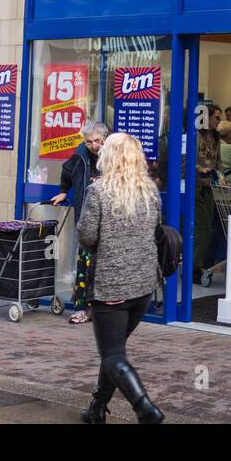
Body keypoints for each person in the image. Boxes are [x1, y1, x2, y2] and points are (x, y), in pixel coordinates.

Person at [76, 132, 165, 425]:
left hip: (112, 286)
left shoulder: (99, 191)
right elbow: (155, 231)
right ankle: (97, 408)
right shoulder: (149, 190)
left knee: (113, 354)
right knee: (115, 352)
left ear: (108, 157)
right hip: (143, 286)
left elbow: (87, 237)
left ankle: (145, 409)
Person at [51, 121, 109, 324]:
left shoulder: (113, 155)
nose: (94, 145)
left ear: (105, 138)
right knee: (84, 263)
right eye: (89, 142)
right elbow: (67, 172)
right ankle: (82, 307)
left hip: (108, 221)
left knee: (103, 266)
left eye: (97, 141)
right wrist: (63, 190)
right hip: (86, 218)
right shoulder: (80, 156)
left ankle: (102, 309)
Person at [193, 105, 222, 280]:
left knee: (206, 227)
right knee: (201, 228)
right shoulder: (195, 136)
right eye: (216, 117)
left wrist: (221, 173)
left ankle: (200, 262)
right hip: (196, 186)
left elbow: (218, 160)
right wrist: (199, 169)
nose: (219, 121)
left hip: (210, 185)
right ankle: (195, 266)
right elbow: (186, 159)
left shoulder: (215, 137)